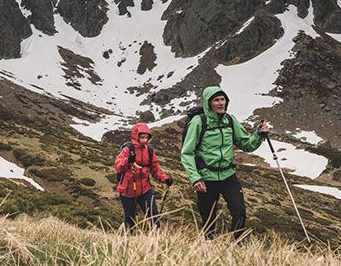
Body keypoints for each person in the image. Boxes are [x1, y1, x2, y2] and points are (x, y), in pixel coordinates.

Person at [180, 86, 269, 239]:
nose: (221, 103)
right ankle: (208, 248)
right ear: (208, 103)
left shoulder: (230, 120)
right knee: (208, 220)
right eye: (216, 100)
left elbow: (246, 144)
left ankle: (238, 245)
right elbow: (187, 153)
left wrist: (258, 135)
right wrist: (195, 178)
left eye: (223, 100)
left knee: (240, 212)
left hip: (228, 176)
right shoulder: (198, 122)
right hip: (206, 178)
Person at [114, 123, 173, 230]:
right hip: (127, 191)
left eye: (147, 137)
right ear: (136, 136)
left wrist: (165, 179)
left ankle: (157, 238)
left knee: (153, 214)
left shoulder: (149, 151)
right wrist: (128, 161)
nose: (145, 140)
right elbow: (118, 166)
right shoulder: (128, 149)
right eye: (142, 137)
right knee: (130, 219)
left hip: (145, 189)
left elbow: (155, 169)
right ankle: (129, 241)